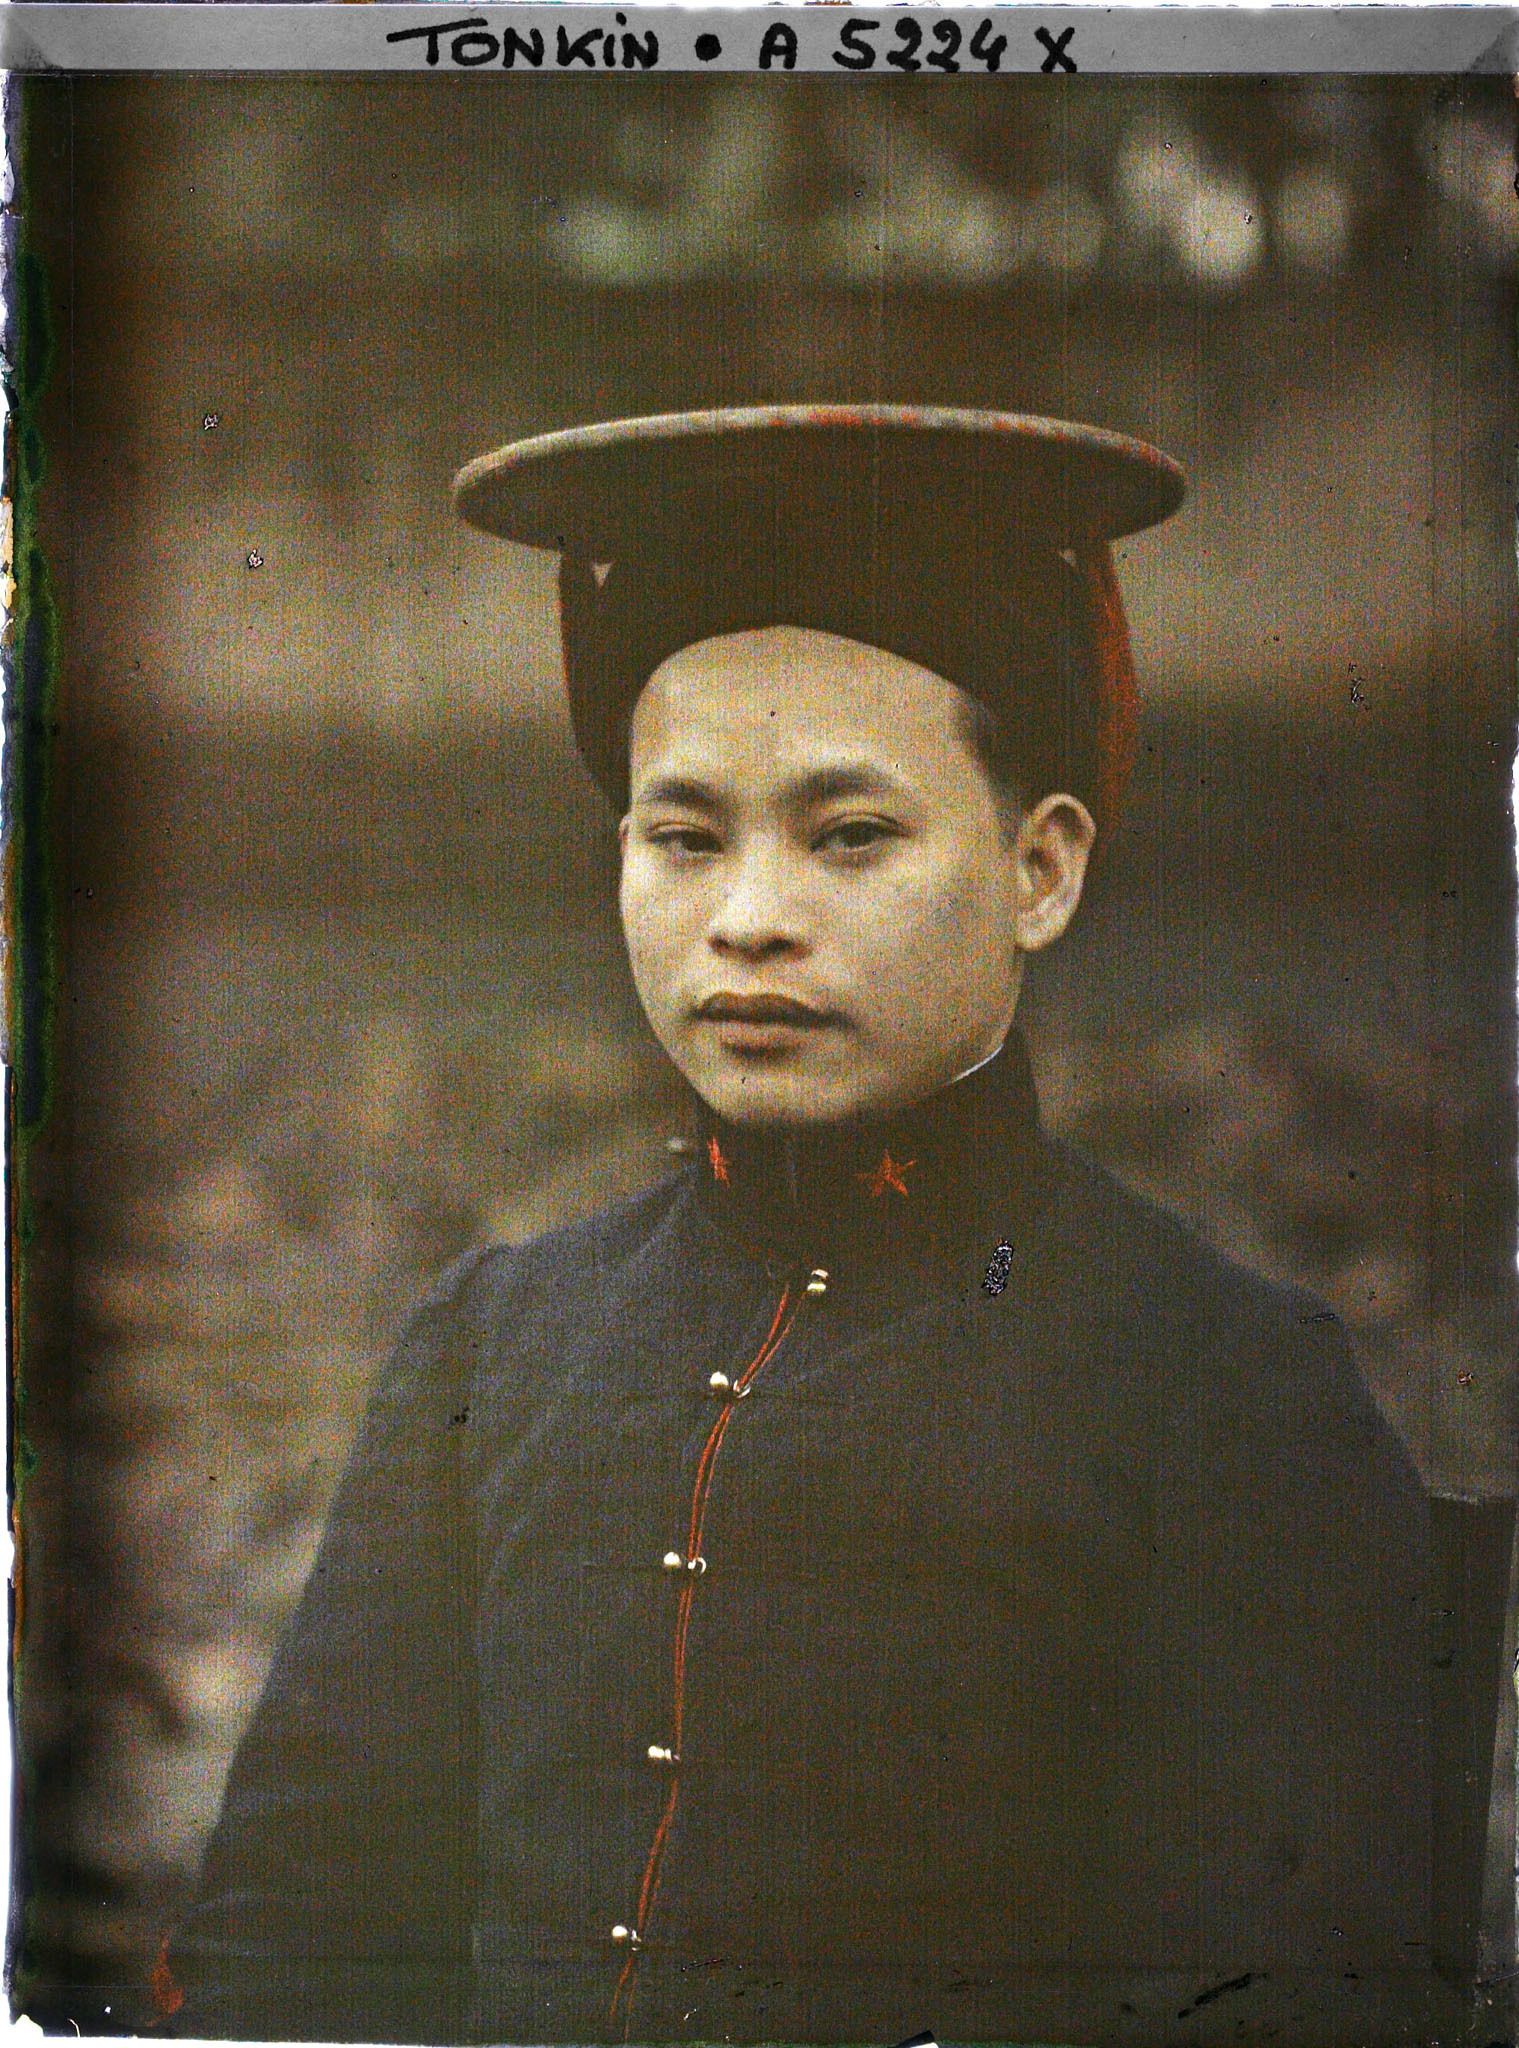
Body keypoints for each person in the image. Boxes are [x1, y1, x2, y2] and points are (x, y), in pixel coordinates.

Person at [173, 407, 1454, 2046]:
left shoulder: (1224, 1385)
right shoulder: (494, 1340)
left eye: (852, 835)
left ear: (1038, 870)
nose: (750, 917)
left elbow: (1296, 2006)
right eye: (683, 836)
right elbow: (293, 1941)